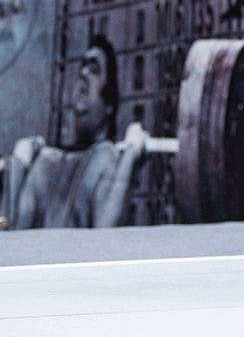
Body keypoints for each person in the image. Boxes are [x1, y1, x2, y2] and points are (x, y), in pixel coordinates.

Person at [0, 36, 148, 229]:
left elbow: (106, 234)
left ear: (109, 104)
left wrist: (130, 155)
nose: (84, 74)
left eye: (94, 70)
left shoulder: (106, 161)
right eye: (82, 68)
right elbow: (6, 227)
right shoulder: (45, 163)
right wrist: (17, 166)